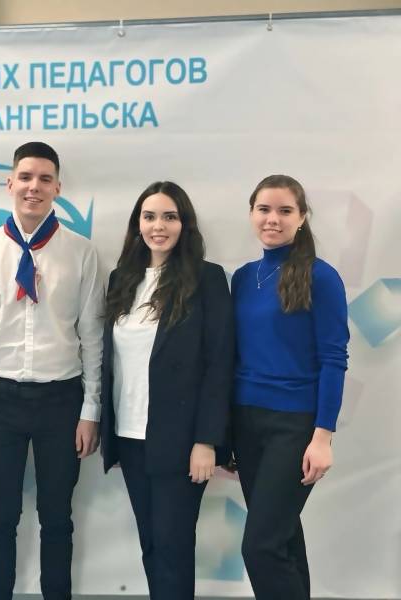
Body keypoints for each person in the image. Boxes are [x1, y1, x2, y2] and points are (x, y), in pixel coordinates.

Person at [0, 141, 103, 600]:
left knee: (57, 517)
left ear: (58, 187)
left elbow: (92, 337)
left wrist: (90, 411)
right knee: (1, 517)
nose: (33, 187)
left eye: (45, 179)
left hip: (61, 401)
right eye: (25, 177)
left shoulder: (81, 253)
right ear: (10, 183)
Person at [99, 181, 234, 599]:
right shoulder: (121, 279)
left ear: (184, 224)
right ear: (137, 224)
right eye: (150, 216)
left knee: (173, 547)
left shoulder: (207, 279)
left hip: (181, 439)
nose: (158, 226)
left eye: (169, 217)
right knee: (152, 545)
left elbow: (219, 364)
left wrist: (206, 441)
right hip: (130, 435)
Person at [232, 174, 349, 600]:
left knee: (259, 547)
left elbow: (334, 359)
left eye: (285, 210)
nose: (273, 219)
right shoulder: (243, 278)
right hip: (246, 425)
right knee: (281, 541)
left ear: (301, 218)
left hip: (294, 427)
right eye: (264, 209)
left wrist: (323, 437)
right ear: (251, 214)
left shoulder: (321, 276)